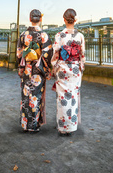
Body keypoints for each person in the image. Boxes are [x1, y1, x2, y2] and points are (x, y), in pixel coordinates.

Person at [17, 9, 53, 133]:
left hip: (27, 69)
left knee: (26, 96)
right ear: (40, 19)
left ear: (30, 19)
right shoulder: (44, 35)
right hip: (38, 70)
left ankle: (25, 124)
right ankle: (34, 125)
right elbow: (48, 54)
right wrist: (47, 71)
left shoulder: (23, 35)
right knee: (36, 97)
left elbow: (19, 54)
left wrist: (21, 69)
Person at [51, 8, 85, 136]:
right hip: (75, 69)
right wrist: (80, 68)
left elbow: (55, 56)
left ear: (64, 19)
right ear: (75, 20)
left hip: (63, 69)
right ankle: (71, 126)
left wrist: (55, 68)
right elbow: (83, 55)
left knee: (62, 98)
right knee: (73, 97)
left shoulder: (59, 35)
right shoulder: (80, 36)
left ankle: (62, 127)